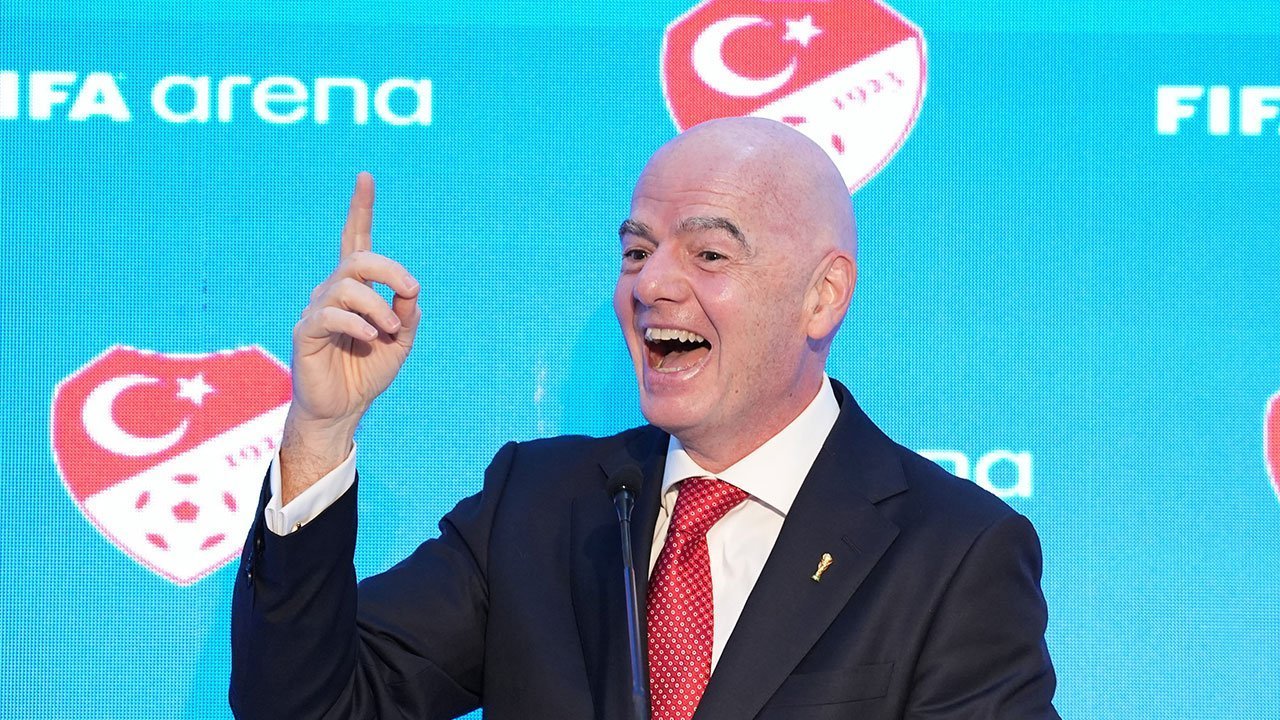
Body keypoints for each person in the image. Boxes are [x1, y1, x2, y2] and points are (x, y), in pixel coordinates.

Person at [230, 117, 1059, 719]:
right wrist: (320, 431)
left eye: (708, 253)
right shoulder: (537, 505)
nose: (651, 284)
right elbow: (306, 706)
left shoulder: (954, 552)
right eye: (636, 251)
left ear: (822, 296)